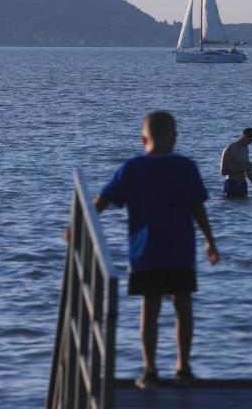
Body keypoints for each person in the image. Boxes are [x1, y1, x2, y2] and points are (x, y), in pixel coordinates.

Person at [68, 111, 219, 389]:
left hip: (145, 253)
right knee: (182, 306)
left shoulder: (133, 168)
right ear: (175, 137)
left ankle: (150, 370)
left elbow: (101, 201)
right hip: (180, 252)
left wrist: (78, 226)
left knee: (150, 308)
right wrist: (210, 241)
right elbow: (198, 208)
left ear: (142, 138)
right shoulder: (185, 167)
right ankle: (183, 368)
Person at [220, 128, 252, 198]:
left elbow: (248, 171)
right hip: (231, 183)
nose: (250, 143)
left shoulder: (245, 149)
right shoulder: (230, 149)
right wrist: (243, 169)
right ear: (244, 136)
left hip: (243, 183)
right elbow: (223, 172)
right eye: (250, 141)